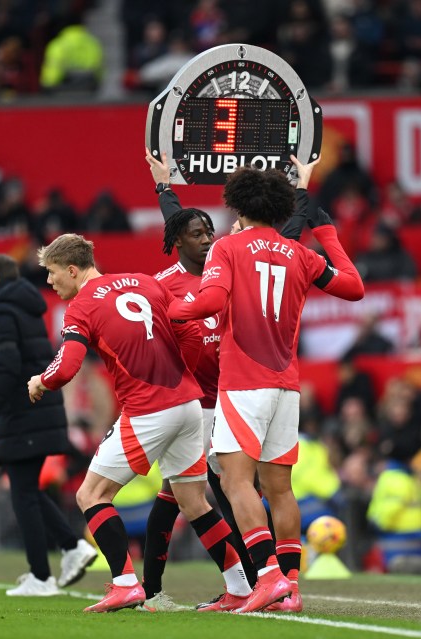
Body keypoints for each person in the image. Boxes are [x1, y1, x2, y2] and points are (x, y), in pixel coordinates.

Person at [168, 161, 364, 612]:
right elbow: (353, 288)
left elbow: (213, 300)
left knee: (236, 483)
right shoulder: (301, 253)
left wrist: (175, 310)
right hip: (286, 385)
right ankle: (289, 590)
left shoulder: (228, 247)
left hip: (242, 383)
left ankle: (269, 577)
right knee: (280, 489)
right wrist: (328, 233)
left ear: (236, 204)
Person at [26, 234, 253, 613]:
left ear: (71, 269)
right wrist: (181, 377)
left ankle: (125, 584)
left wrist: (40, 381)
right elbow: (192, 332)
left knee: (90, 495)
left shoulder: (82, 306)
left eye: (51, 273)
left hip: (148, 408)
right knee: (194, 502)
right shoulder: (147, 282)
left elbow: (66, 368)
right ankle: (241, 588)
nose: (49, 282)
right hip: (188, 403)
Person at [135, 150, 313, 611]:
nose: (206, 237)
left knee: (229, 491)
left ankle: (253, 581)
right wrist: (163, 187)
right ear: (180, 241)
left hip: (237, 394)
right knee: (179, 493)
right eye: (197, 234)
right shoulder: (166, 282)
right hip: (197, 403)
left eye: (209, 231)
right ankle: (155, 588)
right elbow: (182, 223)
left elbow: (282, 235)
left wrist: (301, 190)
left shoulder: (231, 256)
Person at [0, 254, 96, 597]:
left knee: (23, 493)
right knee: (26, 490)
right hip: (36, 410)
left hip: (23, 413)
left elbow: (6, 367)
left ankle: (43, 575)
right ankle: (69, 549)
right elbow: (2, 354)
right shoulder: (17, 307)